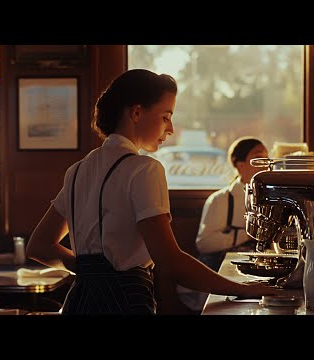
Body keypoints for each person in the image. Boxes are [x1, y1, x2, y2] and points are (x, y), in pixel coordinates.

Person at [26, 69, 280, 315]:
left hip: (79, 301)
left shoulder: (77, 170)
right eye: (166, 116)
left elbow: (39, 246)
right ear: (137, 113)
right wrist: (241, 289)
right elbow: (169, 260)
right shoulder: (144, 169)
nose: (170, 129)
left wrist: (90, 271)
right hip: (124, 301)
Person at [177, 136, 269, 313]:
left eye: (266, 157)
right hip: (224, 274)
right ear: (239, 164)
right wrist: (248, 233)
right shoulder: (221, 200)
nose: (265, 163)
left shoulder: (270, 198)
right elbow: (204, 243)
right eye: (258, 157)